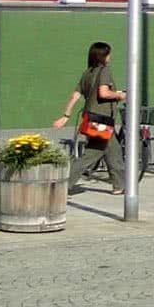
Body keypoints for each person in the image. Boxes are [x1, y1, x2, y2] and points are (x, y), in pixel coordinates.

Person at [52, 42, 125, 194]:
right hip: (101, 120)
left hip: (91, 118)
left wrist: (66, 116)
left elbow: (75, 96)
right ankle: (63, 184)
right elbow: (103, 93)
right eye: (108, 54)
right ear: (103, 56)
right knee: (93, 153)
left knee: (113, 150)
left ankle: (119, 184)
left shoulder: (87, 73)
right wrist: (119, 94)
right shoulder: (104, 71)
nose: (110, 57)